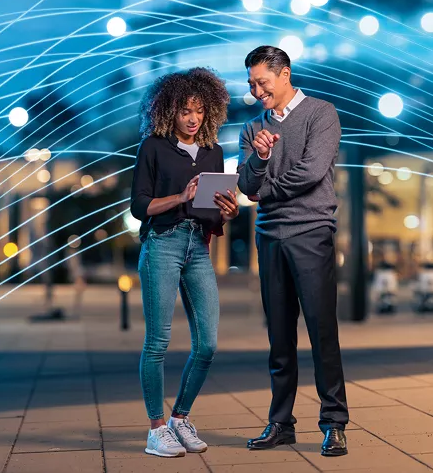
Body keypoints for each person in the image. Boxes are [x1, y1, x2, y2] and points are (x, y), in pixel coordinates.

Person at [237, 46, 349, 457]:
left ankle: (334, 423)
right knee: (279, 337)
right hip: (269, 237)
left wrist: (264, 190)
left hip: (311, 232)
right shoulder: (252, 129)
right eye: (251, 83)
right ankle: (280, 423)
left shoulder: (322, 114)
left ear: (284, 74)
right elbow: (246, 185)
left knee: (322, 333)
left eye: (262, 81)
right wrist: (262, 159)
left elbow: (312, 171)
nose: (256, 89)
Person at [131, 67, 239, 458]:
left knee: (207, 343)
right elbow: (139, 206)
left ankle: (180, 418)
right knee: (158, 341)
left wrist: (228, 212)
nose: (193, 119)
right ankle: (156, 429)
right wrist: (181, 197)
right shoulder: (153, 148)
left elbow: (213, 213)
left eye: (199, 111)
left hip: (199, 248)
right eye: (184, 111)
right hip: (162, 243)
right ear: (169, 112)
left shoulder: (214, 151)